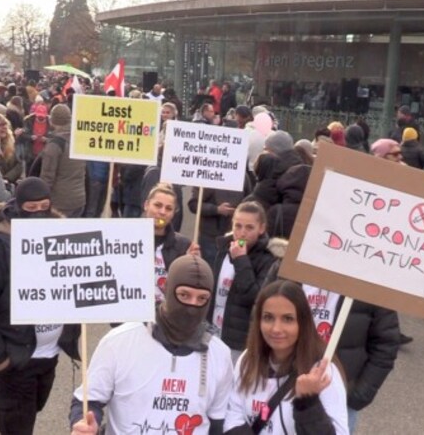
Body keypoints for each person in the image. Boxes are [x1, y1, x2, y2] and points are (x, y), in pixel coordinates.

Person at [0, 177, 80, 435]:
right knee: (18, 418)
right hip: (14, 354)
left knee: (30, 408)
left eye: (44, 207)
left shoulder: (62, 238)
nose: (38, 213)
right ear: (17, 206)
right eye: (31, 208)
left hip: (48, 353)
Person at [70, 255, 233, 435]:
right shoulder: (120, 341)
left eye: (201, 298)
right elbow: (88, 400)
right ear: (167, 289)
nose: (192, 306)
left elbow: (218, 422)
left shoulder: (219, 354)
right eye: (184, 295)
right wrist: (84, 424)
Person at [224, 280, 349, 434]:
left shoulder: (322, 372)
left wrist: (308, 403)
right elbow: (233, 415)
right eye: (268, 317)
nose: (276, 329)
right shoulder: (247, 359)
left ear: (303, 322)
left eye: (288, 319)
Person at [210, 201, 276, 361]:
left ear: (261, 228)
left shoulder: (267, 259)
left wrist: (241, 260)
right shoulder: (224, 249)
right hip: (213, 334)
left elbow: (255, 298)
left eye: (249, 227)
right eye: (237, 226)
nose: (242, 233)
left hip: (239, 341)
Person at [144, 183, 199, 302]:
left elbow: (186, 288)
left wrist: (190, 265)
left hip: (164, 316)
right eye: (157, 205)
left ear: (174, 213)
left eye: (169, 208)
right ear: (146, 205)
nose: (162, 212)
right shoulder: (127, 237)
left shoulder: (184, 245)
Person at [40, 104, 86, 217]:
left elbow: (47, 177)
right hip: (79, 198)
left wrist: (40, 198)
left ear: (52, 120)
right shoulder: (80, 139)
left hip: (60, 202)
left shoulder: (55, 145)